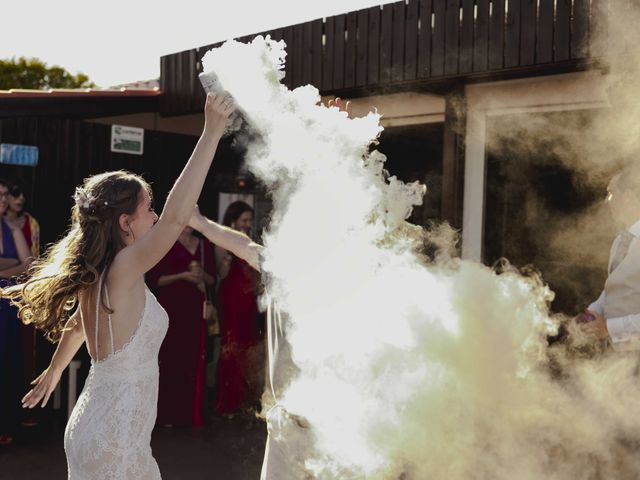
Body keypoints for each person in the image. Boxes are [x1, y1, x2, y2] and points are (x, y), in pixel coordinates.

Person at [1, 92, 233, 478]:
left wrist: (55, 371)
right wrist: (210, 132)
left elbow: (77, 325)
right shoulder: (123, 266)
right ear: (125, 223)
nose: (156, 216)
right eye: (148, 208)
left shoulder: (101, 272)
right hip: (116, 440)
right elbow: (177, 218)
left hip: (101, 428)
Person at [147, 226, 216, 427]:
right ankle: (168, 415)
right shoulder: (165, 242)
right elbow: (154, 280)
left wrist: (201, 274)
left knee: (193, 359)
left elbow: (213, 280)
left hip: (195, 310)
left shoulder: (203, 245)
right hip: (172, 309)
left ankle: (190, 414)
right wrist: (182, 276)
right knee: (170, 360)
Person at [579, 167, 640, 349]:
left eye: (611, 194)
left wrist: (608, 328)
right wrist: (590, 314)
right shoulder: (620, 241)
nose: (607, 202)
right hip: (616, 357)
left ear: (629, 196)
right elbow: (613, 291)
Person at [213, 201, 263, 415]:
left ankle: (246, 402)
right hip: (231, 299)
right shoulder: (222, 241)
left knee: (248, 346)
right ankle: (227, 402)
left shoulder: (250, 242)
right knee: (231, 348)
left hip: (249, 300)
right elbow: (220, 275)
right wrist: (226, 261)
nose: (247, 224)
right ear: (233, 220)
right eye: (243, 220)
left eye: (249, 221)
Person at [5, 181, 41, 427]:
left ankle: (22, 408)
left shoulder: (30, 223)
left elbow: (32, 260)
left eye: (21, 196)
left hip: (23, 291)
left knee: (23, 349)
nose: (18, 200)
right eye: (13, 195)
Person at [0, 178, 33, 446]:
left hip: (7, 304)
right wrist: (12, 264)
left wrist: (4, 268)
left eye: (4, 195)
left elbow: (28, 265)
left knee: (7, 361)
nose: (2, 200)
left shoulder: (12, 229)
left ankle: (5, 424)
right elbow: (18, 263)